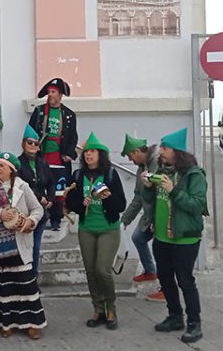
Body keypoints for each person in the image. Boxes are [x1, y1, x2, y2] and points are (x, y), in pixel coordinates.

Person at [140, 128, 207, 343]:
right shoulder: (162, 171)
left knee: (185, 281)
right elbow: (153, 201)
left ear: (177, 152)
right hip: (161, 237)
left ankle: (194, 323)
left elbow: (197, 205)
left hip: (185, 238)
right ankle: (175, 316)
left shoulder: (194, 175)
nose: (160, 150)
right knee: (166, 279)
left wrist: (174, 190)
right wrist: (148, 187)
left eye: (165, 147)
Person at [0, 152, 46, 339]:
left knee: (25, 284)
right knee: (2, 286)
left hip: (19, 243)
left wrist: (30, 221)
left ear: (11, 169)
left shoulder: (23, 187)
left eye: (2, 165)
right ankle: (4, 322)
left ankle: (32, 323)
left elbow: (37, 209)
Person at [65, 133, 126, 331]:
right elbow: (69, 202)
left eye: (92, 152)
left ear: (101, 154)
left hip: (108, 229)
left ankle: (111, 308)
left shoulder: (110, 175)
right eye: (86, 152)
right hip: (87, 229)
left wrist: (106, 196)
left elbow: (121, 205)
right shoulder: (78, 176)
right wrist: (81, 205)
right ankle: (98, 309)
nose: (88, 155)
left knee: (102, 269)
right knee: (90, 271)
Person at [28, 78, 78, 231]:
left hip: (59, 156)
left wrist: (69, 153)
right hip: (42, 156)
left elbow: (72, 136)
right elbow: (30, 132)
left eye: (53, 92)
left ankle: (56, 218)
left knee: (59, 188)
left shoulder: (69, 114)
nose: (50, 95)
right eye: (49, 92)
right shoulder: (39, 111)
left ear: (60, 94)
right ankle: (41, 215)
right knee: (40, 185)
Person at [120, 134, 164, 302]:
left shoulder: (157, 164)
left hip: (160, 217)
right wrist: (125, 219)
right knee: (138, 237)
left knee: (162, 252)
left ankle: (166, 288)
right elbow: (138, 197)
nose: (130, 160)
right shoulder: (141, 168)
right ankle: (150, 271)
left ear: (137, 151)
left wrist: (156, 220)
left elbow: (160, 194)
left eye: (130, 156)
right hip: (149, 217)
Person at [17, 125, 55, 276]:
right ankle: (22, 276)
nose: (33, 146)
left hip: (41, 213)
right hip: (24, 211)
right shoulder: (18, 163)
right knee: (23, 246)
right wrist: (40, 198)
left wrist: (50, 198)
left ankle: (32, 276)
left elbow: (51, 182)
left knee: (36, 247)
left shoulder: (43, 163)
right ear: (23, 144)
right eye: (29, 142)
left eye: (36, 143)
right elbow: (21, 185)